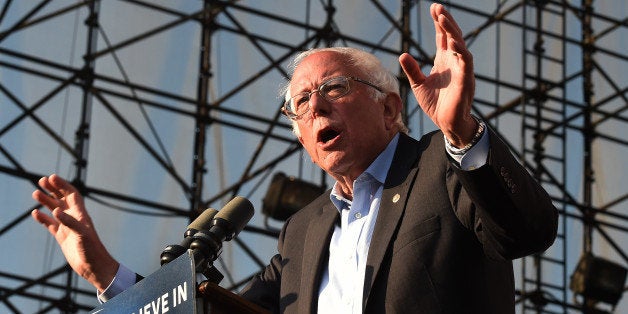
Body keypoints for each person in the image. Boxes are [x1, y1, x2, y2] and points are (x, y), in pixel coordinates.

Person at [32, 3, 558, 314]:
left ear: (391, 107)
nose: (316, 105)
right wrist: (102, 270)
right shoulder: (303, 232)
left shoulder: (441, 166)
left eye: (333, 86)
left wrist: (460, 129)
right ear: (302, 138)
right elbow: (215, 313)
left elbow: (528, 231)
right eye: (300, 103)